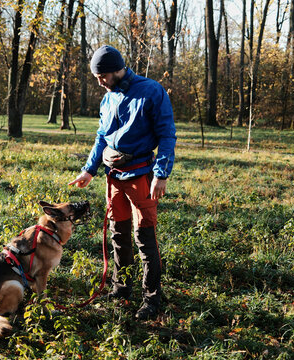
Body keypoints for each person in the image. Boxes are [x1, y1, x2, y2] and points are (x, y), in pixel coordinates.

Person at [69, 45, 177, 320]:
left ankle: (151, 299)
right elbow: (101, 138)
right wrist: (89, 170)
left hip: (142, 175)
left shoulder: (151, 91)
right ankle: (121, 288)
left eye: (102, 76)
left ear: (116, 69)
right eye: (96, 77)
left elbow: (167, 135)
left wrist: (161, 174)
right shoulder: (107, 99)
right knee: (119, 234)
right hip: (113, 177)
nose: (99, 82)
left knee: (145, 237)